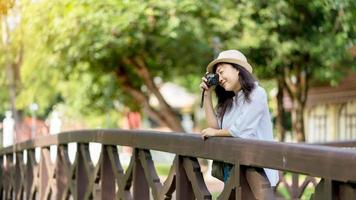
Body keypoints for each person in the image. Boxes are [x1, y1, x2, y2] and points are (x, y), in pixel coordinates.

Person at [200, 50, 279, 199]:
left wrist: (215, 133)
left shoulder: (258, 93)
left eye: (222, 72)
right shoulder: (230, 101)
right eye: (217, 75)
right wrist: (207, 95)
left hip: (257, 174)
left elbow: (240, 130)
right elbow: (214, 128)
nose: (220, 78)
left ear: (237, 69)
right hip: (235, 171)